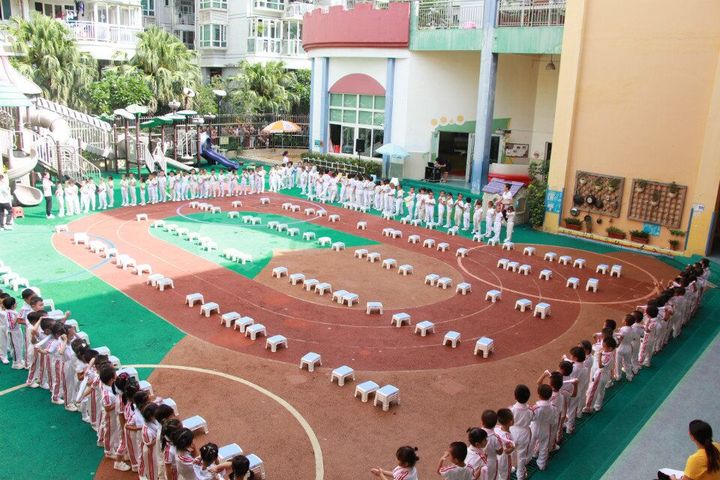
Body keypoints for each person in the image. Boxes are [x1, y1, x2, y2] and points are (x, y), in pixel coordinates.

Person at [510, 384, 533, 480]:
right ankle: (520, 475)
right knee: (522, 455)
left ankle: (510, 468)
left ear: (515, 396)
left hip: (512, 432)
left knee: (511, 452)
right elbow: (532, 419)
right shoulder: (530, 410)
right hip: (524, 433)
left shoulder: (511, 409)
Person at [530, 384, 555, 471]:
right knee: (544, 447)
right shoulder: (552, 407)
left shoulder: (536, 407)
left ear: (539, 395)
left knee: (530, 444)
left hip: (535, 428)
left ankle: (528, 458)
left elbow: (532, 418)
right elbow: (552, 420)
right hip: (545, 429)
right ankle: (541, 464)